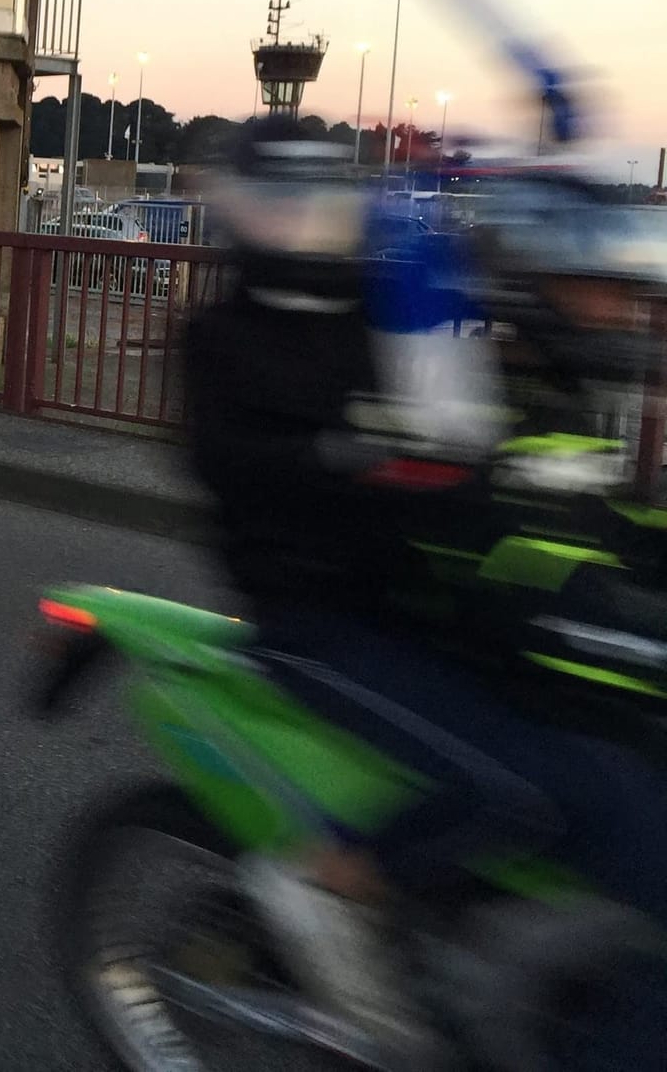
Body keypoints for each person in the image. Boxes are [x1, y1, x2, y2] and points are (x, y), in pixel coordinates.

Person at [185, 127, 667, 1069]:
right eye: (283, 204)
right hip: (309, 612)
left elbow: (557, 507)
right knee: (511, 784)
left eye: (319, 203)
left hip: (405, 601)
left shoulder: (393, 316)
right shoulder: (220, 336)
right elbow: (226, 465)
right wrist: (351, 455)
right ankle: (323, 883)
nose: (304, 224)